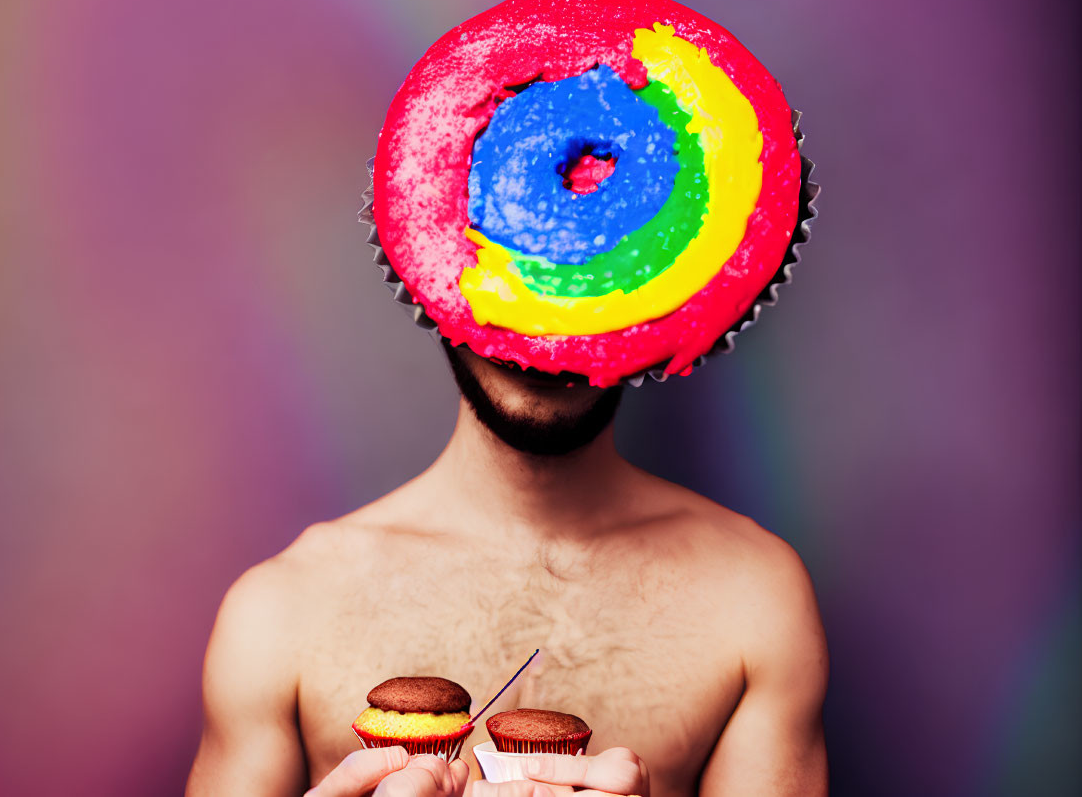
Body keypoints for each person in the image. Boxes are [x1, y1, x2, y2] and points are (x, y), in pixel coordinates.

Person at [186, 340, 829, 796]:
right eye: (510, 258)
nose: (544, 317)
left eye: (584, 273)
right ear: (428, 276)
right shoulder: (282, 609)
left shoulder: (752, 595)